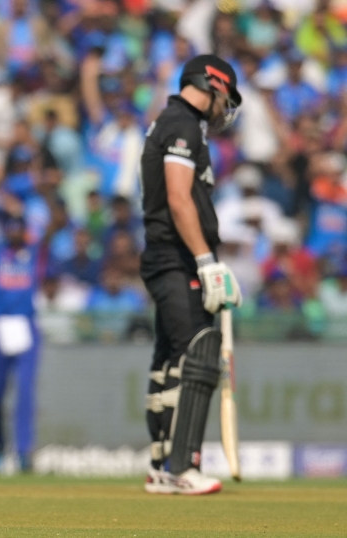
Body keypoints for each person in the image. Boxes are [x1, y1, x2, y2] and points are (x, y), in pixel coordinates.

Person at [139, 55, 244, 496]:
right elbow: (180, 199)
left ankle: (162, 465)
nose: (226, 109)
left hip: (169, 256)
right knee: (198, 352)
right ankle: (183, 467)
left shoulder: (173, 121)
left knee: (170, 359)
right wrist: (205, 260)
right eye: (226, 98)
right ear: (212, 84)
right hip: (178, 258)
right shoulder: (182, 123)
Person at [0, 197, 43, 474]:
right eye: (9, 227)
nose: (13, 232)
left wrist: (26, 204)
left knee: (25, 391)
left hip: (25, 324)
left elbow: (53, 226)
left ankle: (24, 452)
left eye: (18, 228)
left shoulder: (34, 252)